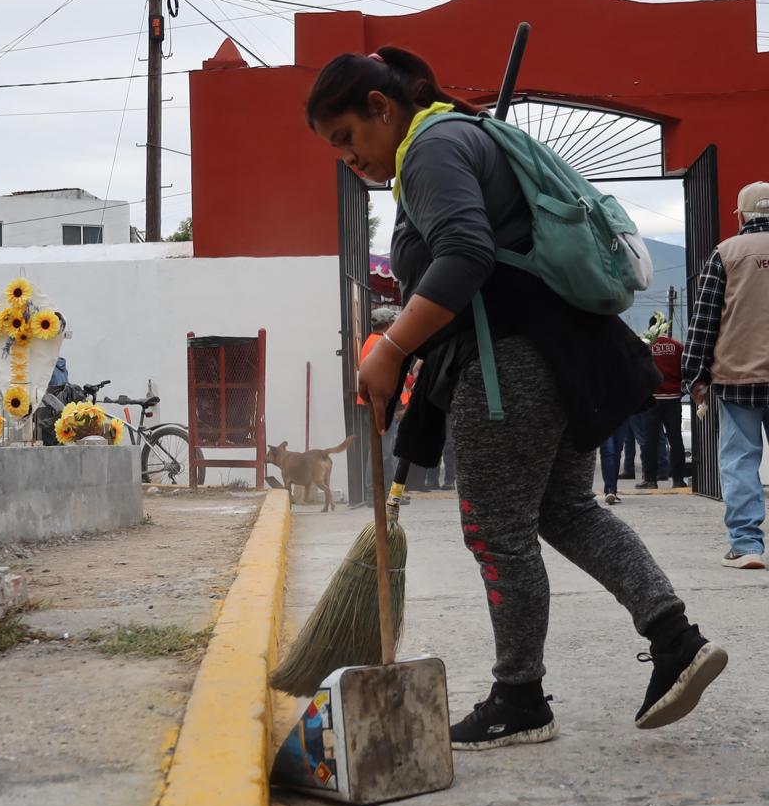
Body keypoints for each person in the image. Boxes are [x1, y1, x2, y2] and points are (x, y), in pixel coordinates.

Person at [306, 46, 727, 749]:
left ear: (381, 107)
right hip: (557, 354)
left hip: (508, 367)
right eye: (336, 151)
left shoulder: (429, 149)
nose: (350, 160)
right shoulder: (460, 136)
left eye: (348, 138)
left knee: (496, 530)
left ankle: (519, 696)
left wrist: (391, 346)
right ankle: (676, 639)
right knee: (565, 510)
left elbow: (465, 254)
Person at [683, 181, 769, 569]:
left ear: (742, 215)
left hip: (737, 378)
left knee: (740, 462)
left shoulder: (726, 253)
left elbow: (704, 322)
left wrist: (695, 374)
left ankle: (746, 545)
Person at [357, 306, 405, 505]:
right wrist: (399, 405)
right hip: (381, 404)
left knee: (381, 449)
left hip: (375, 402)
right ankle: (377, 492)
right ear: (387, 324)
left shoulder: (371, 342)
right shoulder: (382, 344)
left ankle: (384, 492)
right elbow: (390, 377)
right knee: (383, 451)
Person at [638, 314, 688, 490]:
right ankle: (678, 479)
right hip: (673, 399)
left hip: (652, 399)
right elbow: (685, 369)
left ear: (650, 327)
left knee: (650, 441)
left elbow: (641, 371)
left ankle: (650, 479)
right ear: (666, 328)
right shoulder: (677, 347)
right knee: (675, 440)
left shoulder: (646, 346)